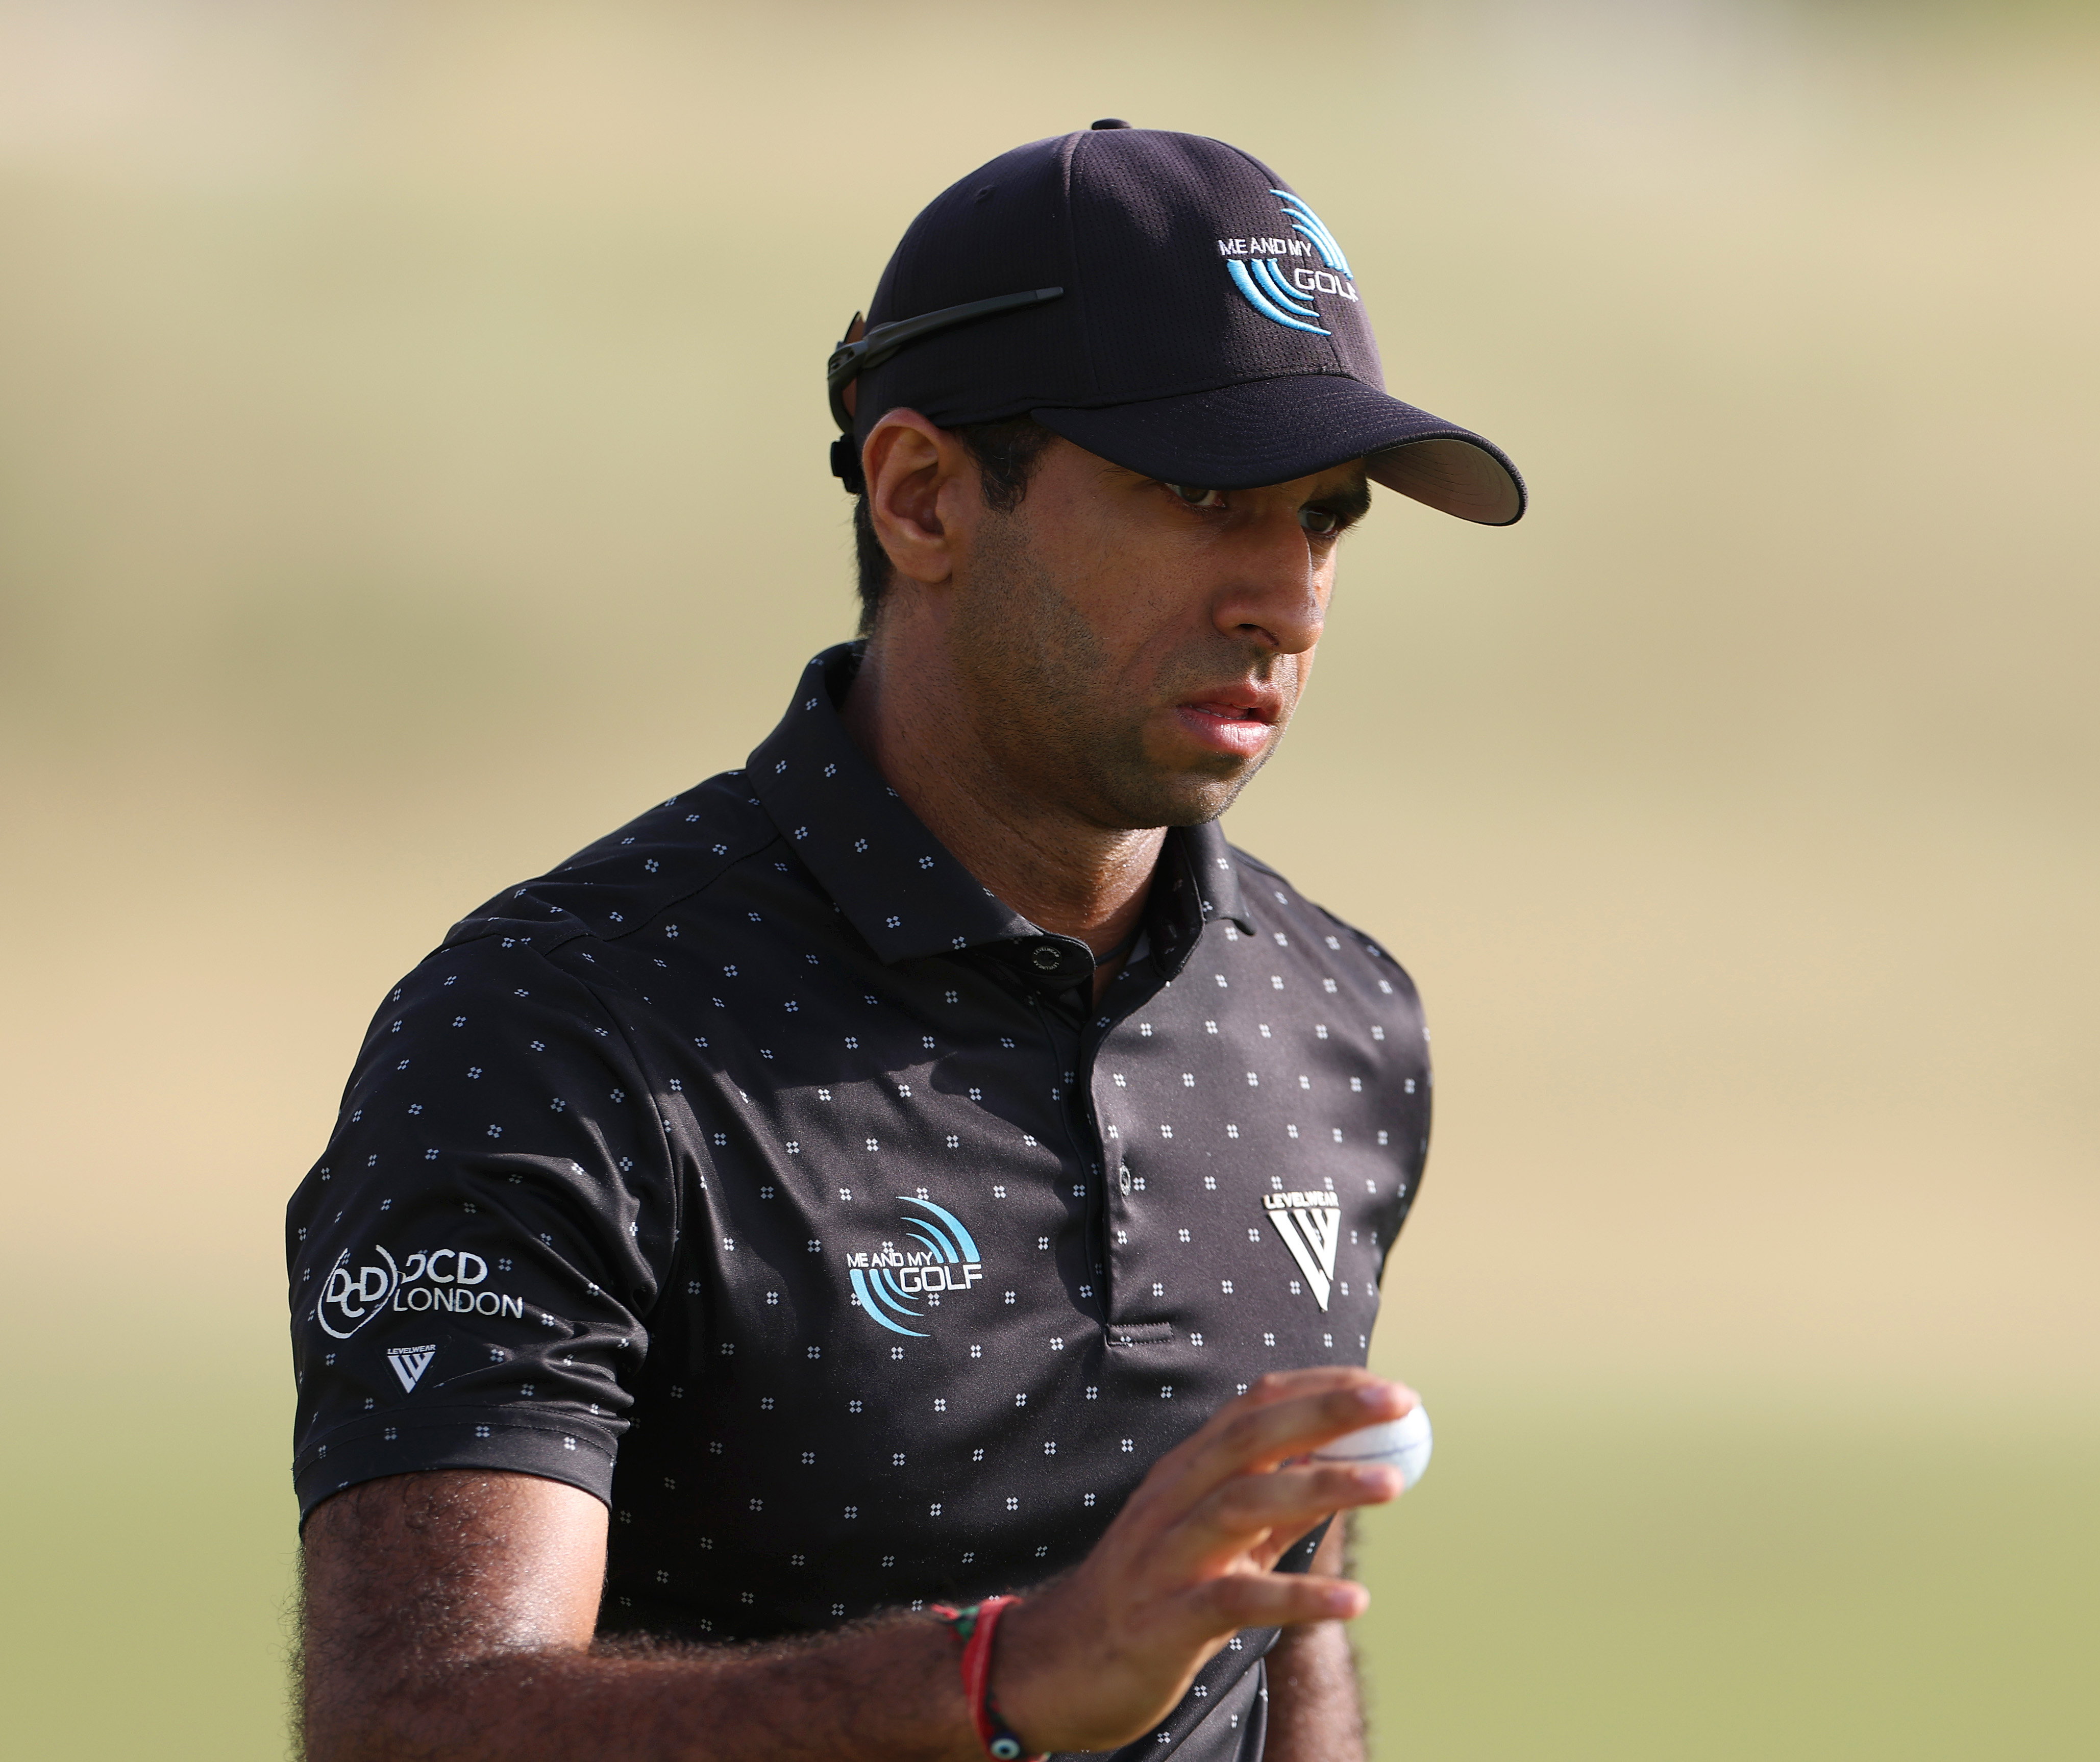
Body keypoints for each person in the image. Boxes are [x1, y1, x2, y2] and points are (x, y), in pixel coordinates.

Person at [287, 119, 1524, 1762]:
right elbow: (410, 1728)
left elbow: (1278, 1631)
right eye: (1204, 495)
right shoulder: (564, 1027)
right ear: (925, 496)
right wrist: (1000, 1677)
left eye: (1322, 515)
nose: (1286, 598)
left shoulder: (1334, 1019)